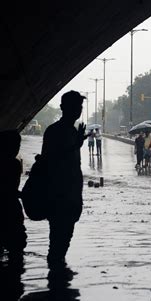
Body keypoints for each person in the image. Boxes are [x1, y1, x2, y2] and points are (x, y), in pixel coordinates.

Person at [40, 90, 87, 268]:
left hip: (72, 195)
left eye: (80, 107)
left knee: (64, 240)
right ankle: (57, 282)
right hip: (59, 195)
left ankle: (58, 278)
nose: (78, 110)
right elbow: (50, 159)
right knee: (58, 241)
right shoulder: (54, 131)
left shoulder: (73, 132)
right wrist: (75, 145)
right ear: (63, 108)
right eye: (74, 107)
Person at [0, 130, 27, 260]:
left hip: (8, 208)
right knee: (16, 249)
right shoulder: (14, 164)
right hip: (11, 209)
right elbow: (11, 189)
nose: (17, 149)